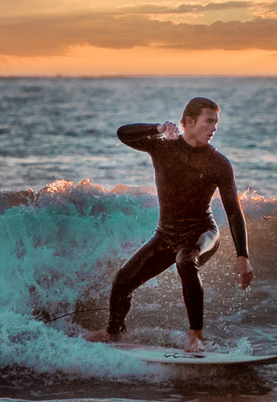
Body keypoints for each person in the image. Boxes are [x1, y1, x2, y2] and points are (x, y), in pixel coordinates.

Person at [86, 97, 253, 353]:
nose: (214, 128)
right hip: (166, 235)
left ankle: (196, 337)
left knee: (186, 260)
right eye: (209, 121)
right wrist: (158, 128)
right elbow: (122, 134)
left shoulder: (218, 163)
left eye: (216, 123)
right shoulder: (163, 147)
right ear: (188, 122)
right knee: (122, 281)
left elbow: (233, 211)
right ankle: (113, 332)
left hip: (202, 232)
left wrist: (243, 256)